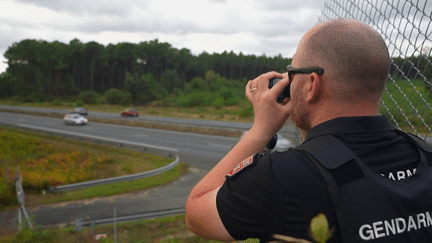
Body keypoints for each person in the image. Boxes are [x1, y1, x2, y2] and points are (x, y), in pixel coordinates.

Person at [185, 18, 432, 242]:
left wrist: (261, 130)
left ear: (312, 84)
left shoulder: (280, 178)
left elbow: (197, 214)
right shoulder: (425, 156)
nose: (289, 83)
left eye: (292, 74)